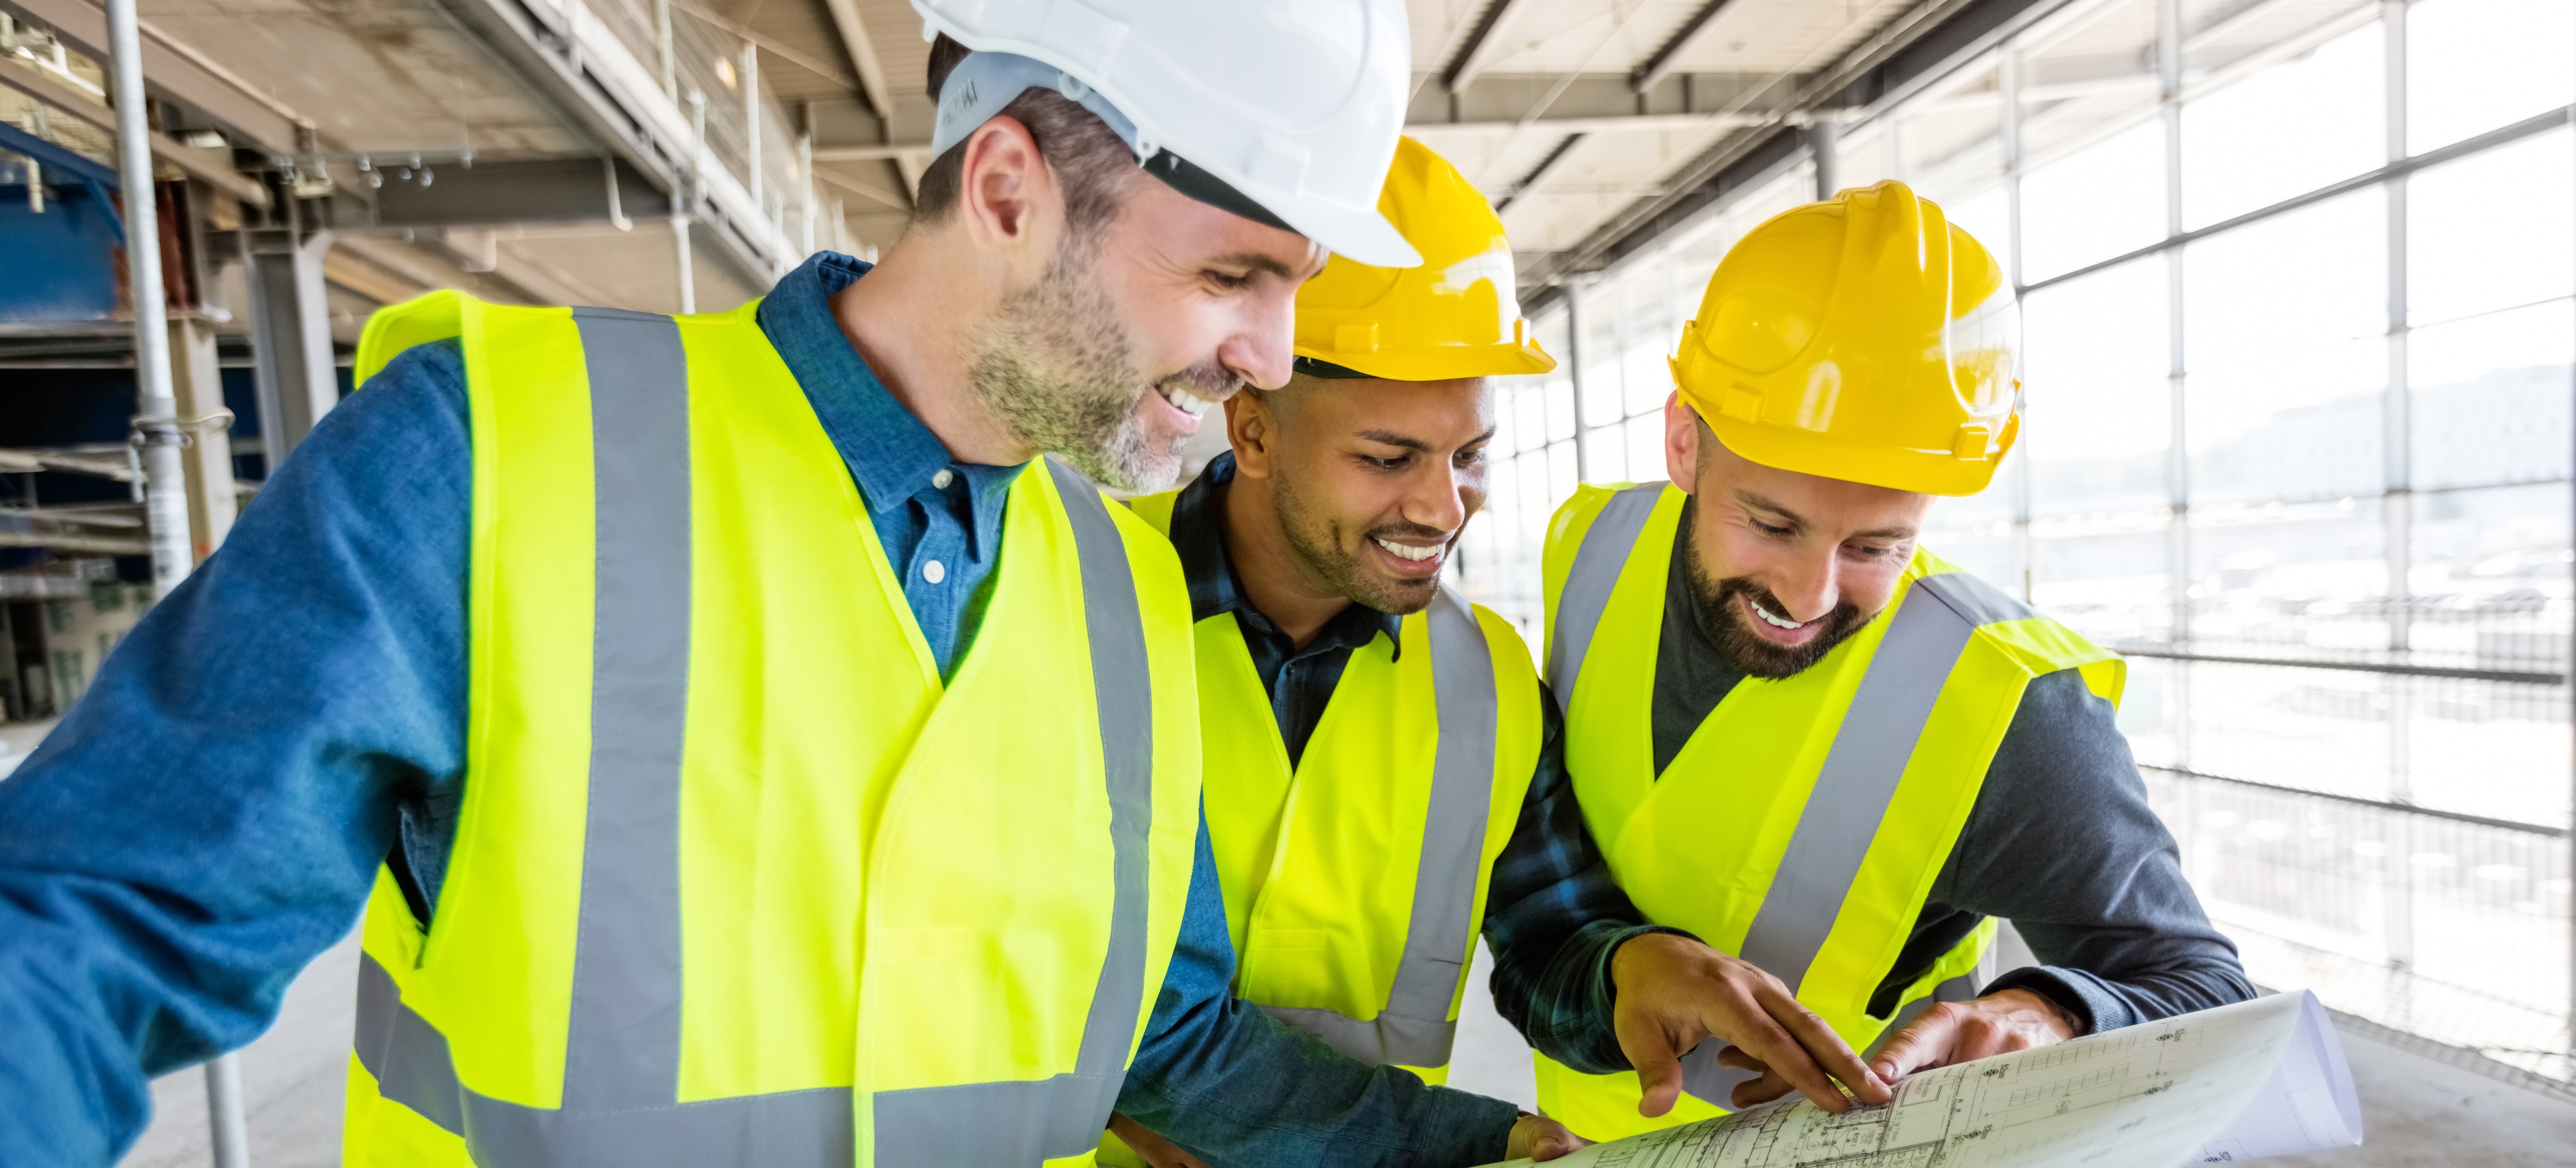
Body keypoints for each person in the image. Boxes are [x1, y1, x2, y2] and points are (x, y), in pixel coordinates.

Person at [0, 3, 1592, 1164]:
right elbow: (95, 921)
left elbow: (1160, 1040)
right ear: (1011, 190)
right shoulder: (500, 454)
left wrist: (1475, 1152)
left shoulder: (1119, 603)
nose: (1266, 356)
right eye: (1233, 275)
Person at [1100, 140, 1889, 1168]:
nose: (1442, 507)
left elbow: (1548, 929)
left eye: (1470, 455)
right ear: (1252, 433)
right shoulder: (1090, 604)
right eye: (1387, 459)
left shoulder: (1486, 683)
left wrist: (1631, 970)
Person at [1531, 180, 2256, 1140]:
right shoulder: (1588, 544)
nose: (1810, 594)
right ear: (1682, 442)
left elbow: (2208, 993)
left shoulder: (2006, 708)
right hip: (1573, 1135)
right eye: (1771, 522)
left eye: (1876, 545)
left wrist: (2046, 1011)